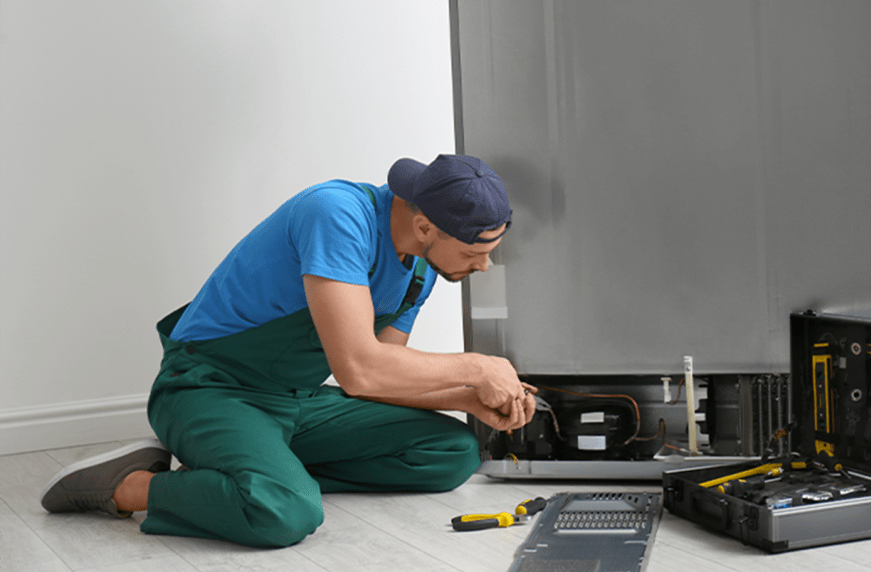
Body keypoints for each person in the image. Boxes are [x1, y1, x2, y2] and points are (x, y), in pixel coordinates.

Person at [40, 154, 536, 547]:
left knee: (450, 453)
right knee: (285, 511)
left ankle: (240, 471)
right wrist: (475, 366)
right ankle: (128, 486)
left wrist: (464, 398)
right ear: (426, 226)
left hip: (294, 399)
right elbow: (361, 369)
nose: (485, 266)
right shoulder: (338, 215)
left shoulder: (422, 268)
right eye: (475, 253)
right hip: (209, 388)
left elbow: (379, 384)